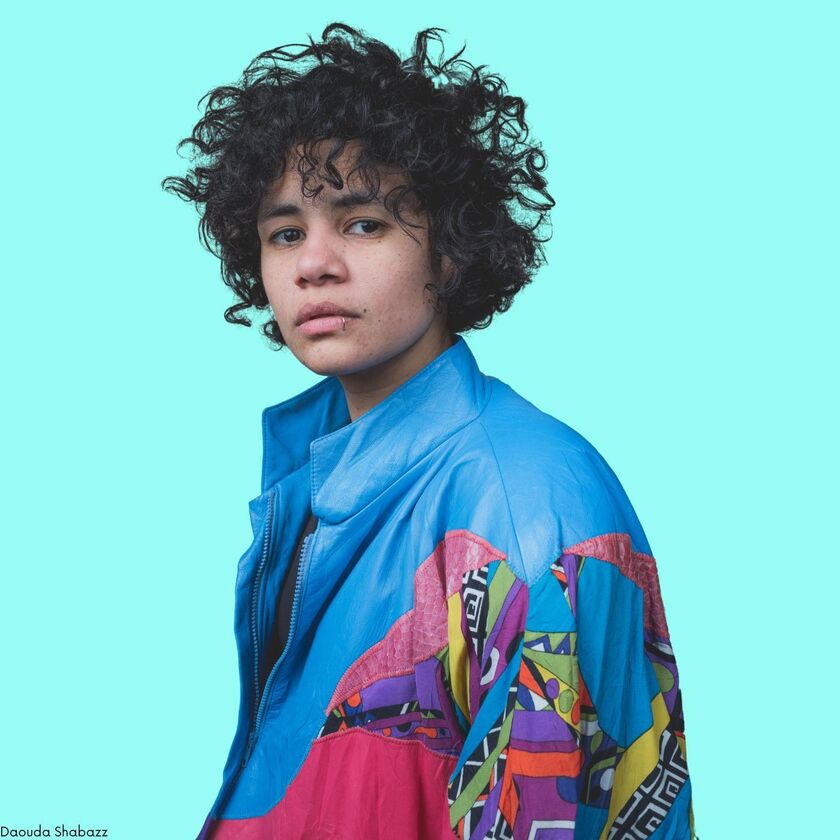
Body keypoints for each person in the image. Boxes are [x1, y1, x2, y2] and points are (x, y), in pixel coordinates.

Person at [162, 22, 696, 840]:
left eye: (363, 222)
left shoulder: (522, 514)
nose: (313, 264)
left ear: (447, 250)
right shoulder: (317, 477)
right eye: (285, 232)